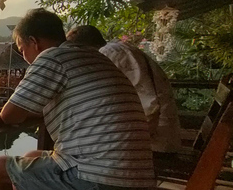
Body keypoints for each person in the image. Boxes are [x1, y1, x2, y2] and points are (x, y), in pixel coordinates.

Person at [0, 9, 155, 190]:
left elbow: (11, 114)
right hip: (137, 179)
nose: (24, 58)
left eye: (22, 49)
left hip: (103, 182)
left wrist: (3, 117)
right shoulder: (94, 57)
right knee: (35, 155)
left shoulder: (51, 58)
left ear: (34, 42)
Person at [66, 25, 182, 154]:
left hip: (153, 143)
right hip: (158, 136)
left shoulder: (109, 54)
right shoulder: (118, 50)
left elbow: (148, 107)